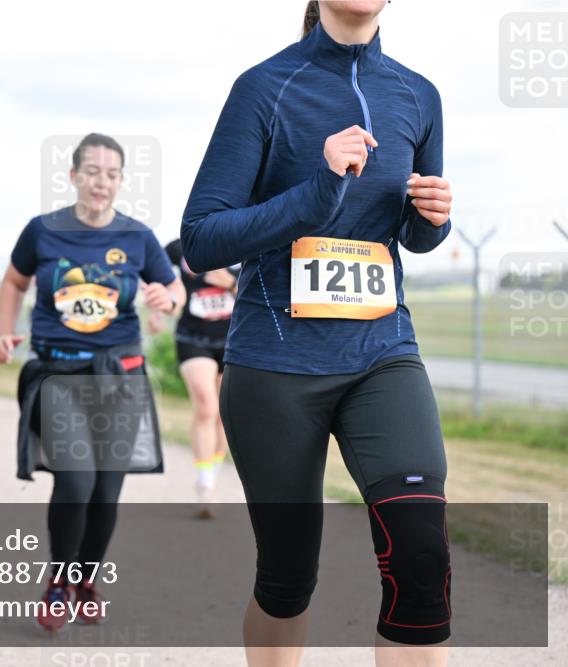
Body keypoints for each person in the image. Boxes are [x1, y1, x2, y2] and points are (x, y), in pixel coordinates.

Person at [181, 2, 455, 664]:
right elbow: (202, 236)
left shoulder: (418, 94)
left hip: (381, 355)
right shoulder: (264, 88)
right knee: (286, 579)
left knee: (421, 562)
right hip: (275, 364)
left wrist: (433, 219)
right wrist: (319, 186)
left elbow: (413, 235)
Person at [0, 133, 185, 632]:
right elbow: (14, 282)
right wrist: (5, 331)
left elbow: (173, 285)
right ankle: (58, 580)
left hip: (119, 376)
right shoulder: (42, 231)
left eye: (112, 173)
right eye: (93, 171)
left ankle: (86, 580)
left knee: (106, 492)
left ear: (121, 180)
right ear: (73, 176)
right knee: (75, 480)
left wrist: (169, 298)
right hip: (58, 372)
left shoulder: (137, 236)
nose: (102, 182)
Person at [151, 240, 240, 518]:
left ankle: (211, 477)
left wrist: (231, 285)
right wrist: (157, 311)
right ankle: (204, 485)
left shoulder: (245, 241)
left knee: (223, 415)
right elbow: (156, 278)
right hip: (192, 337)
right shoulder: (180, 247)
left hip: (233, 340)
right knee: (206, 405)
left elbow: (266, 290)